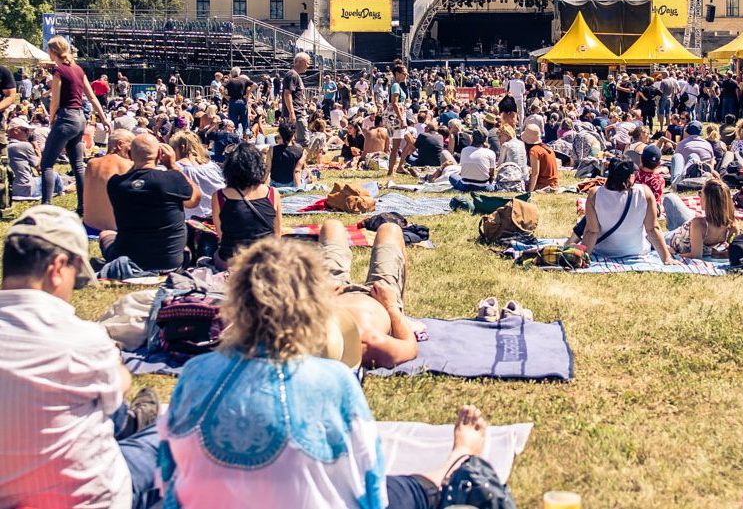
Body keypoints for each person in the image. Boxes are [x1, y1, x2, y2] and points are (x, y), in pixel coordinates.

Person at [157, 235, 498, 509]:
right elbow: (369, 480)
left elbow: (168, 473)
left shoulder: (197, 372)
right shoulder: (332, 380)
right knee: (413, 489)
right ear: (314, 306)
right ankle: (457, 461)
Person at [0, 205, 160, 509]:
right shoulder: (83, 338)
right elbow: (117, 399)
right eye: (77, 275)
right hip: (92, 498)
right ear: (57, 268)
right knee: (167, 439)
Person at [320, 218, 421, 368]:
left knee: (331, 225)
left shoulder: (303, 341)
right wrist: (392, 307)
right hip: (380, 298)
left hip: (332, 294)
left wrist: (319, 300)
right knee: (390, 229)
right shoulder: (372, 343)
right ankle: (401, 309)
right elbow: (410, 348)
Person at [102, 133, 201, 271]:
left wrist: (134, 160)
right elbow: (194, 200)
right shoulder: (172, 179)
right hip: (169, 263)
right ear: (160, 154)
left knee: (106, 234)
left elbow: (132, 177)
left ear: (131, 155)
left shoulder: (116, 183)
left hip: (127, 258)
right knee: (186, 248)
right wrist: (172, 165)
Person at [40, 35, 109, 214]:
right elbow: (92, 97)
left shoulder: (59, 71)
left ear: (52, 51)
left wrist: (52, 117)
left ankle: (45, 208)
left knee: (47, 163)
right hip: (80, 119)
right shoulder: (78, 70)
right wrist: (104, 118)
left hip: (65, 117)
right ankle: (83, 206)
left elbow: (55, 100)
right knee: (78, 164)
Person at [569, 159, 674, 263]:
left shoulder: (595, 194)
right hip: (636, 251)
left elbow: (592, 231)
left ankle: (570, 241)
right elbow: (652, 229)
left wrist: (583, 256)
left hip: (603, 250)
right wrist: (666, 258)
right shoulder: (644, 193)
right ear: (630, 176)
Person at [212, 142, 281, 268]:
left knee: (213, 252)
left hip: (233, 260)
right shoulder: (272, 193)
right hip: (266, 261)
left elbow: (222, 235)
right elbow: (277, 233)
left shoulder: (220, 197)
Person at [665, 178, 738, 259]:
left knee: (669, 197)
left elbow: (695, 256)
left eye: (700, 193)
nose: (699, 196)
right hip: (687, 227)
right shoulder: (731, 223)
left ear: (707, 200)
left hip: (671, 238)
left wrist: (673, 253)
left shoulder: (699, 224)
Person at [83, 128, 135, 231]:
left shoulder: (91, 163)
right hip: (116, 228)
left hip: (89, 225)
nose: (132, 154)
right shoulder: (129, 165)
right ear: (120, 144)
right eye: (130, 149)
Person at [170, 130, 226, 221]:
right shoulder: (211, 166)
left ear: (181, 148)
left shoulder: (176, 168)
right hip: (214, 217)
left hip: (189, 221)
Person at [266, 120, 306, 187]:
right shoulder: (300, 151)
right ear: (293, 135)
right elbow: (298, 170)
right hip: (292, 183)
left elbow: (267, 169)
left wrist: (264, 186)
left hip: (275, 184)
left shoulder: (272, 149)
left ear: (280, 135)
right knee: (306, 173)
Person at [521, 124, 559, 192]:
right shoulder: (547, 148)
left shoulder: (534, 151)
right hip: (554, 184)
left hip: (544, 185)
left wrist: (530, 191)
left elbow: (535, 173)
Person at [224, 66, 253, 135]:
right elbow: (255, 85)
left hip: (233, 101)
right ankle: (246, 131)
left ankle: (235, 132)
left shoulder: (230, 81)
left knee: (233, 118)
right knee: (244, 118)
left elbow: (221, 88)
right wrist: (248, 93)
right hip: (242, 100)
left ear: (232, 73)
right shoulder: (243, 79)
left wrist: (225, 96)